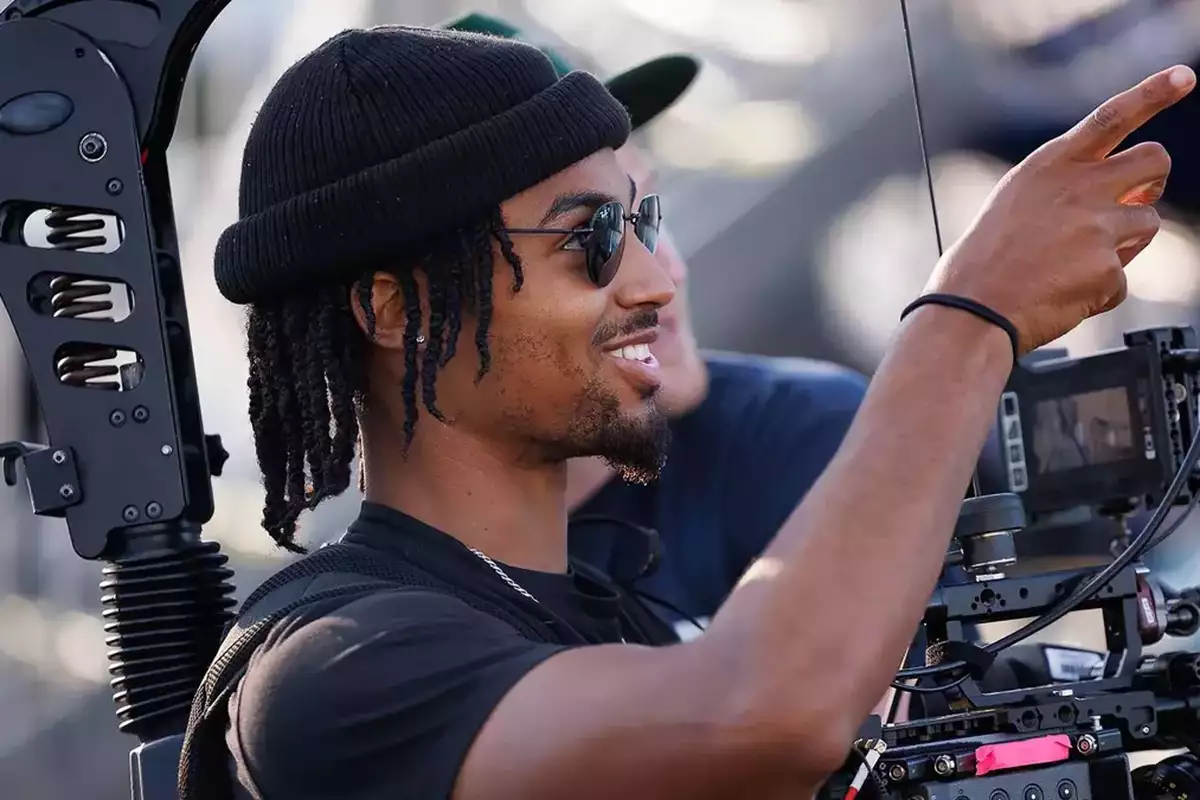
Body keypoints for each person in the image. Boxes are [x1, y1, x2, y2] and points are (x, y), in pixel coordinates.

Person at [210, 23, 1188, 800]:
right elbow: (761, 716)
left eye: (646, 222)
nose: (653, 278)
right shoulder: (330, 671)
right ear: (396, 310)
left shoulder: (620, 615)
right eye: (589, 241)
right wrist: (970, 316)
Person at [441, 12, 870, 639]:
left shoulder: (794, 428)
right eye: (595, 236)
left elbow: (887, 726)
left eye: (649, 214)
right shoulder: (377, 609)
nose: (665, 274)